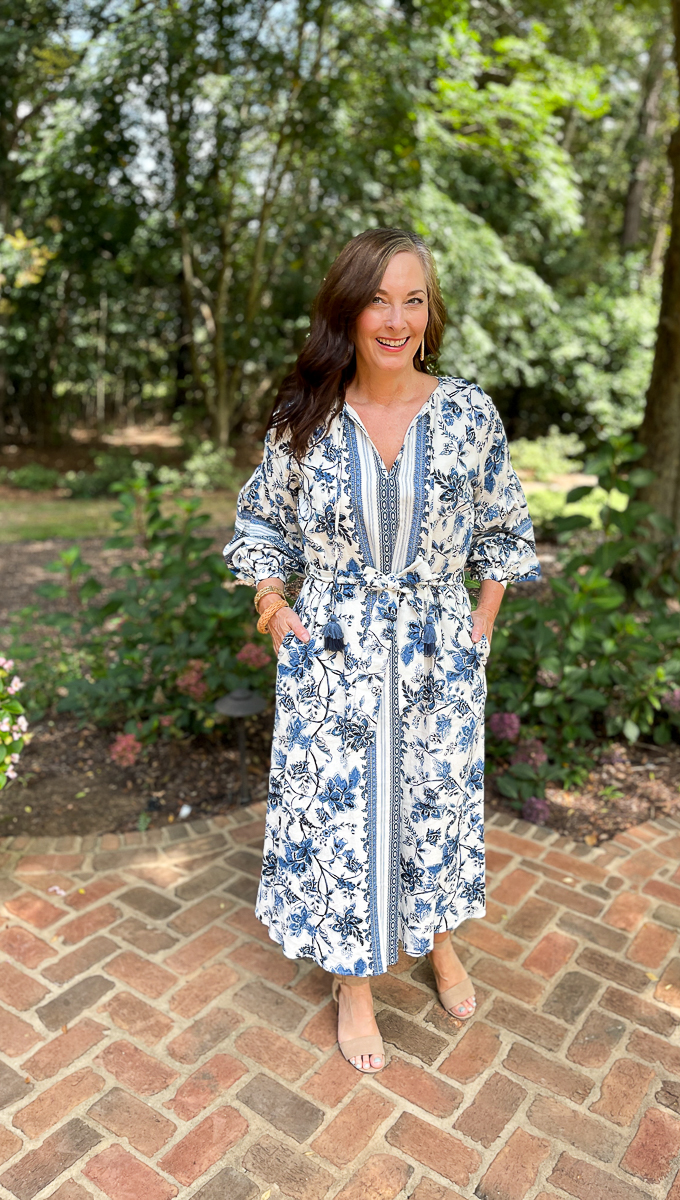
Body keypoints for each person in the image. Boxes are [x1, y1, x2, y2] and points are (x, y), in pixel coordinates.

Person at [224, 228, 541, 1072]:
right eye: (378, 298)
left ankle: (435, 939)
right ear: (349, 309)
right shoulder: (306, 419)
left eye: (413, 298)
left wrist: (482, 622)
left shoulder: (469, 413)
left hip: (439, 652)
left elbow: (504, 524)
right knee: (342, 819)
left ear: (430, 310)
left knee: (430, 805)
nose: (396, 317)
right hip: (331, 650)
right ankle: (353, 984)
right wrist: (271, 605)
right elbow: (263, 526)